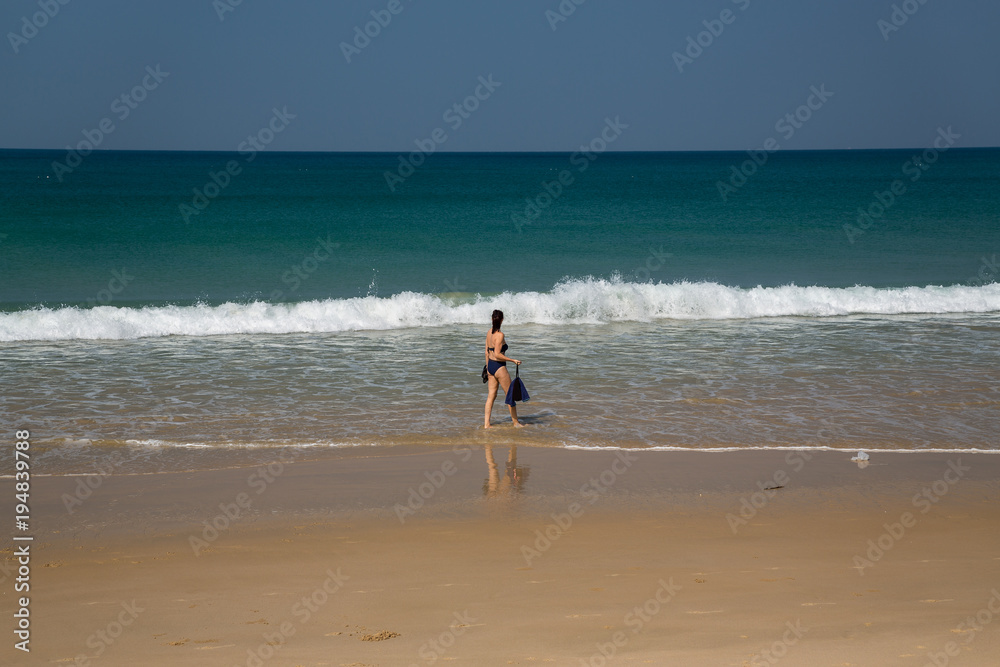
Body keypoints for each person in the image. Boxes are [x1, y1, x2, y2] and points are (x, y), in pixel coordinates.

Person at [484, 309, 523, 428]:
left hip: (490, 366)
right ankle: (516, 423)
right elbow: (497, 354)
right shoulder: (500, 335)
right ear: (502, 320)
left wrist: (487, 368)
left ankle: (486, 424)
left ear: (492, 319)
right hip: (499, 367)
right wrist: (513, 360)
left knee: (491, 396)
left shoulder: (489, 332)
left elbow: (486, 352)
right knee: (509, 395)